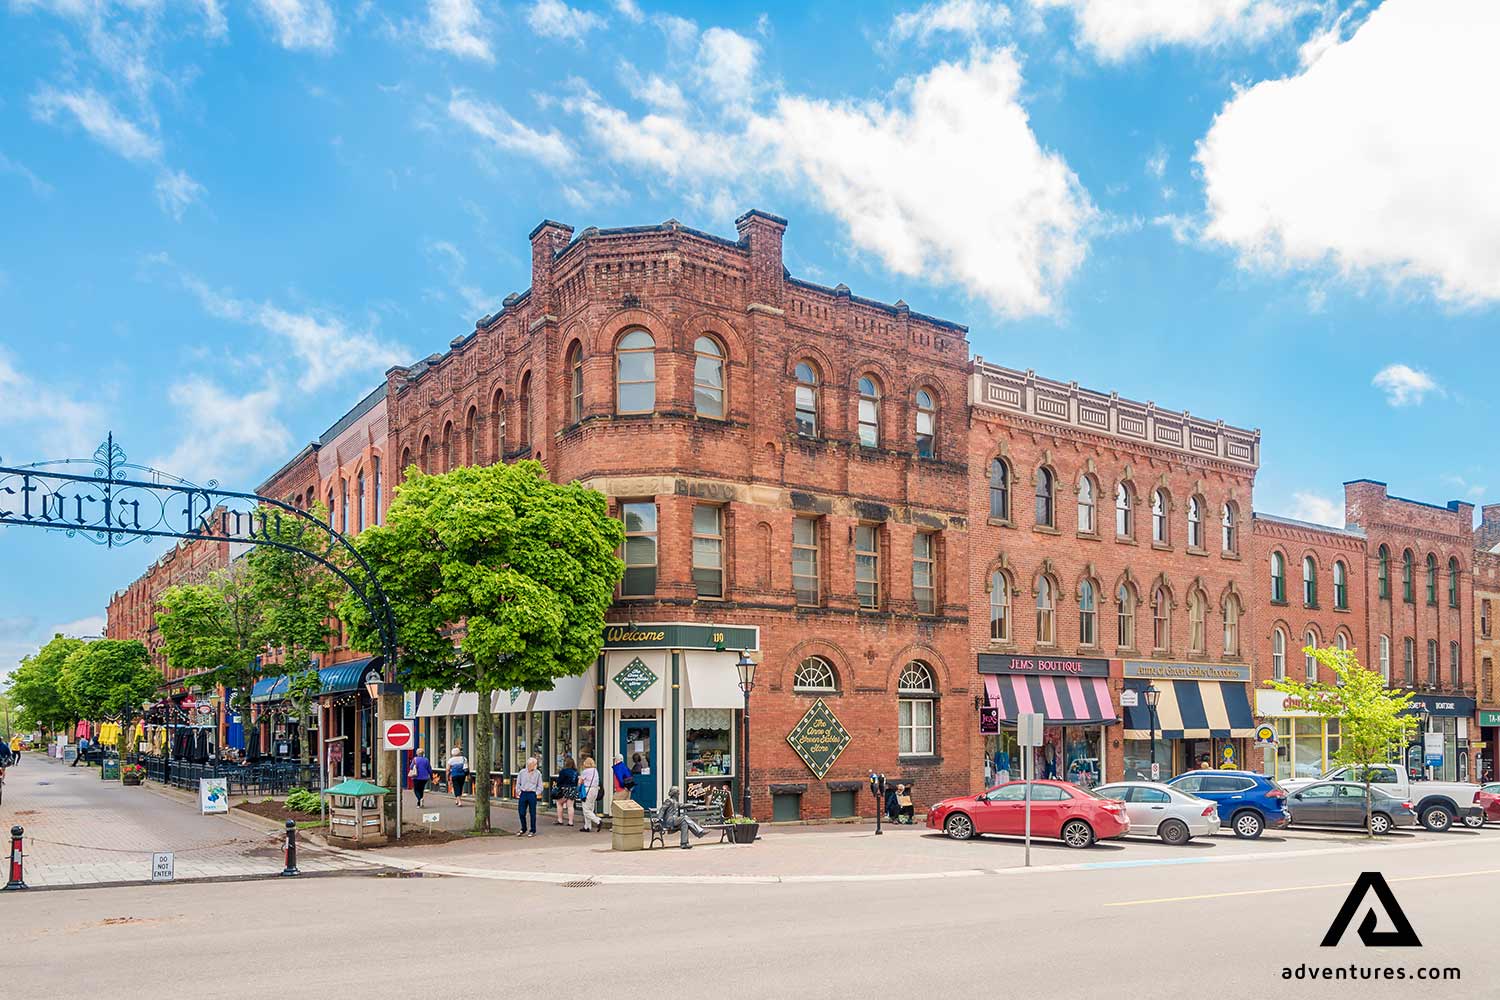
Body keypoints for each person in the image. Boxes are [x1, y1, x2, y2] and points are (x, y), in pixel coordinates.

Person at [516, 756, 543, 837]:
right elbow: (518, 783)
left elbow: (540, 785)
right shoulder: (522, 772)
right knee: (521, 812)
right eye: (534, 764)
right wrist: (519, 792)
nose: (535, 766)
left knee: (533, 813)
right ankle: (523, 828)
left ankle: (532, 830)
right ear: (529, 764)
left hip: (532, 794)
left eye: (535, 764)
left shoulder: (538, 773)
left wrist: (536, 793)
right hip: (523, 793)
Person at [578, 755, 603, 832]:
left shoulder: (585, 771)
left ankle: (598, 820)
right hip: (595, 790)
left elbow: (580, 782)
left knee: (586, 809)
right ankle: (587, 826)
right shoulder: (595, 771)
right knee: (590, 808)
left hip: (587, 790)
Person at [555, 755, 579, 827]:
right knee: (570, 806)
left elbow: (559, 781)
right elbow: (576, 781)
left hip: (564, 789)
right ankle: (570, 822)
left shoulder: (563, 771)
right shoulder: (575, 772)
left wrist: (559, 786)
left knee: (559, 803)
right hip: (573, 789)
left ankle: (560, 820)